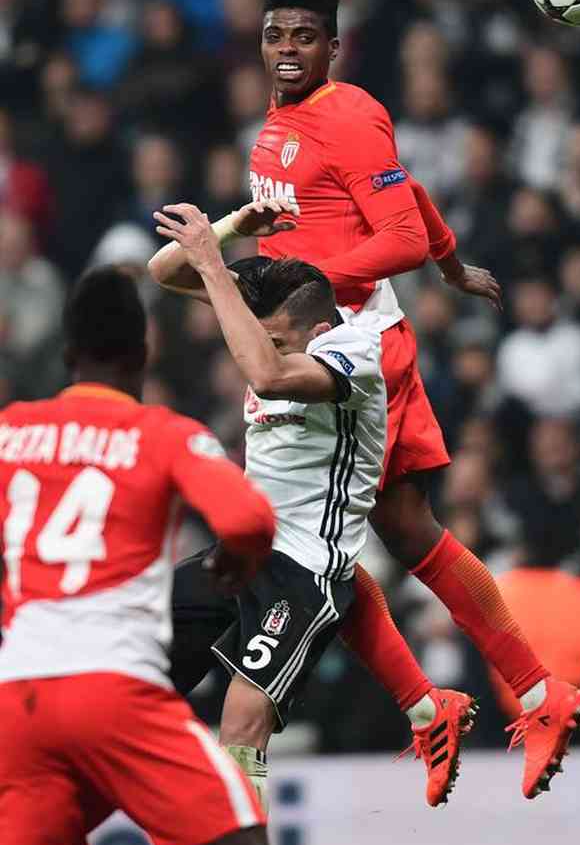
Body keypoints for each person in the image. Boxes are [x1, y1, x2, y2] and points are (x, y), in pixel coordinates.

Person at [148, 0, 580, 801]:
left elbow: (396, 237)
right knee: (369, 533)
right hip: (313, 327)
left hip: (350, 344)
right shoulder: (280, 126)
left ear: (333, 46)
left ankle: (505, 697)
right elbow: (407, 195)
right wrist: (454, 263)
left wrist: (313, 279)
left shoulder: (346, 113)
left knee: (333, 541)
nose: (286, 49)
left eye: (304, 37)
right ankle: (477, 701)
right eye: (275, 34)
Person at [153, 205, 477, 810]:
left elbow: (269, 375)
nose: (259, 341)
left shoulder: (355, 354)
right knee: (132, 666)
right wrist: (229, 232)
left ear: (316, 330)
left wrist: (218, 275)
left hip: (305, 571)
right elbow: (166, 270)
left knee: (241, 728)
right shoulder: (279, 320)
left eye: (274, 334)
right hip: (241, 554)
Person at [0, 266, 276, 845]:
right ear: (143, 355)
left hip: (16, 701)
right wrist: (238, 558)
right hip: (114, 689)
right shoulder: (164, 434)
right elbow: (251, 520)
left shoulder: (9, 432)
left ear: (69, 354)